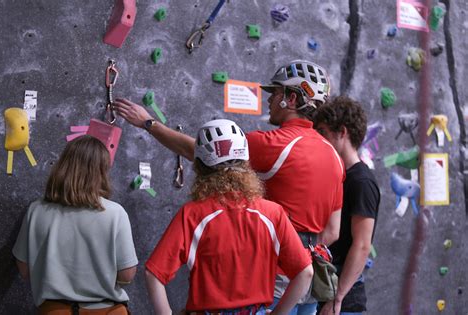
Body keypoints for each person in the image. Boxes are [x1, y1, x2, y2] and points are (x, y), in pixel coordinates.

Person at [114, 60, 344, 314]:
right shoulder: (333, 156)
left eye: (274, 92)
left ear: (290, 99)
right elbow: (332, 230)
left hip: (275, 274)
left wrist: (149, 124)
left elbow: (205, 152)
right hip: (310, 275)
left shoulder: (273, 144)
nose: (268, 99)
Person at [144, 119, 314, 314]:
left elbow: (153, 273)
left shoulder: (193, 214)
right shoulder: (273, 213)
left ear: (200, 165)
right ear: (245, 161)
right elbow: (305, 273)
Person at [12, 135, 138, 315]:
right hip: (109, 311)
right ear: (101, 171)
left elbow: (24, 270)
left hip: (55, 311)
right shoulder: (115, 213)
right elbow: (127, 275)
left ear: (63, 166)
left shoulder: (36, 210)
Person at [313, 96, 380, 315]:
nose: (318, 138)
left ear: (342, 132)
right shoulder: (338, 176)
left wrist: (337, 298)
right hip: (324, 287)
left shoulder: (361, 181)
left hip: (343, 298)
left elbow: (361, 245)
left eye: (322, 132)